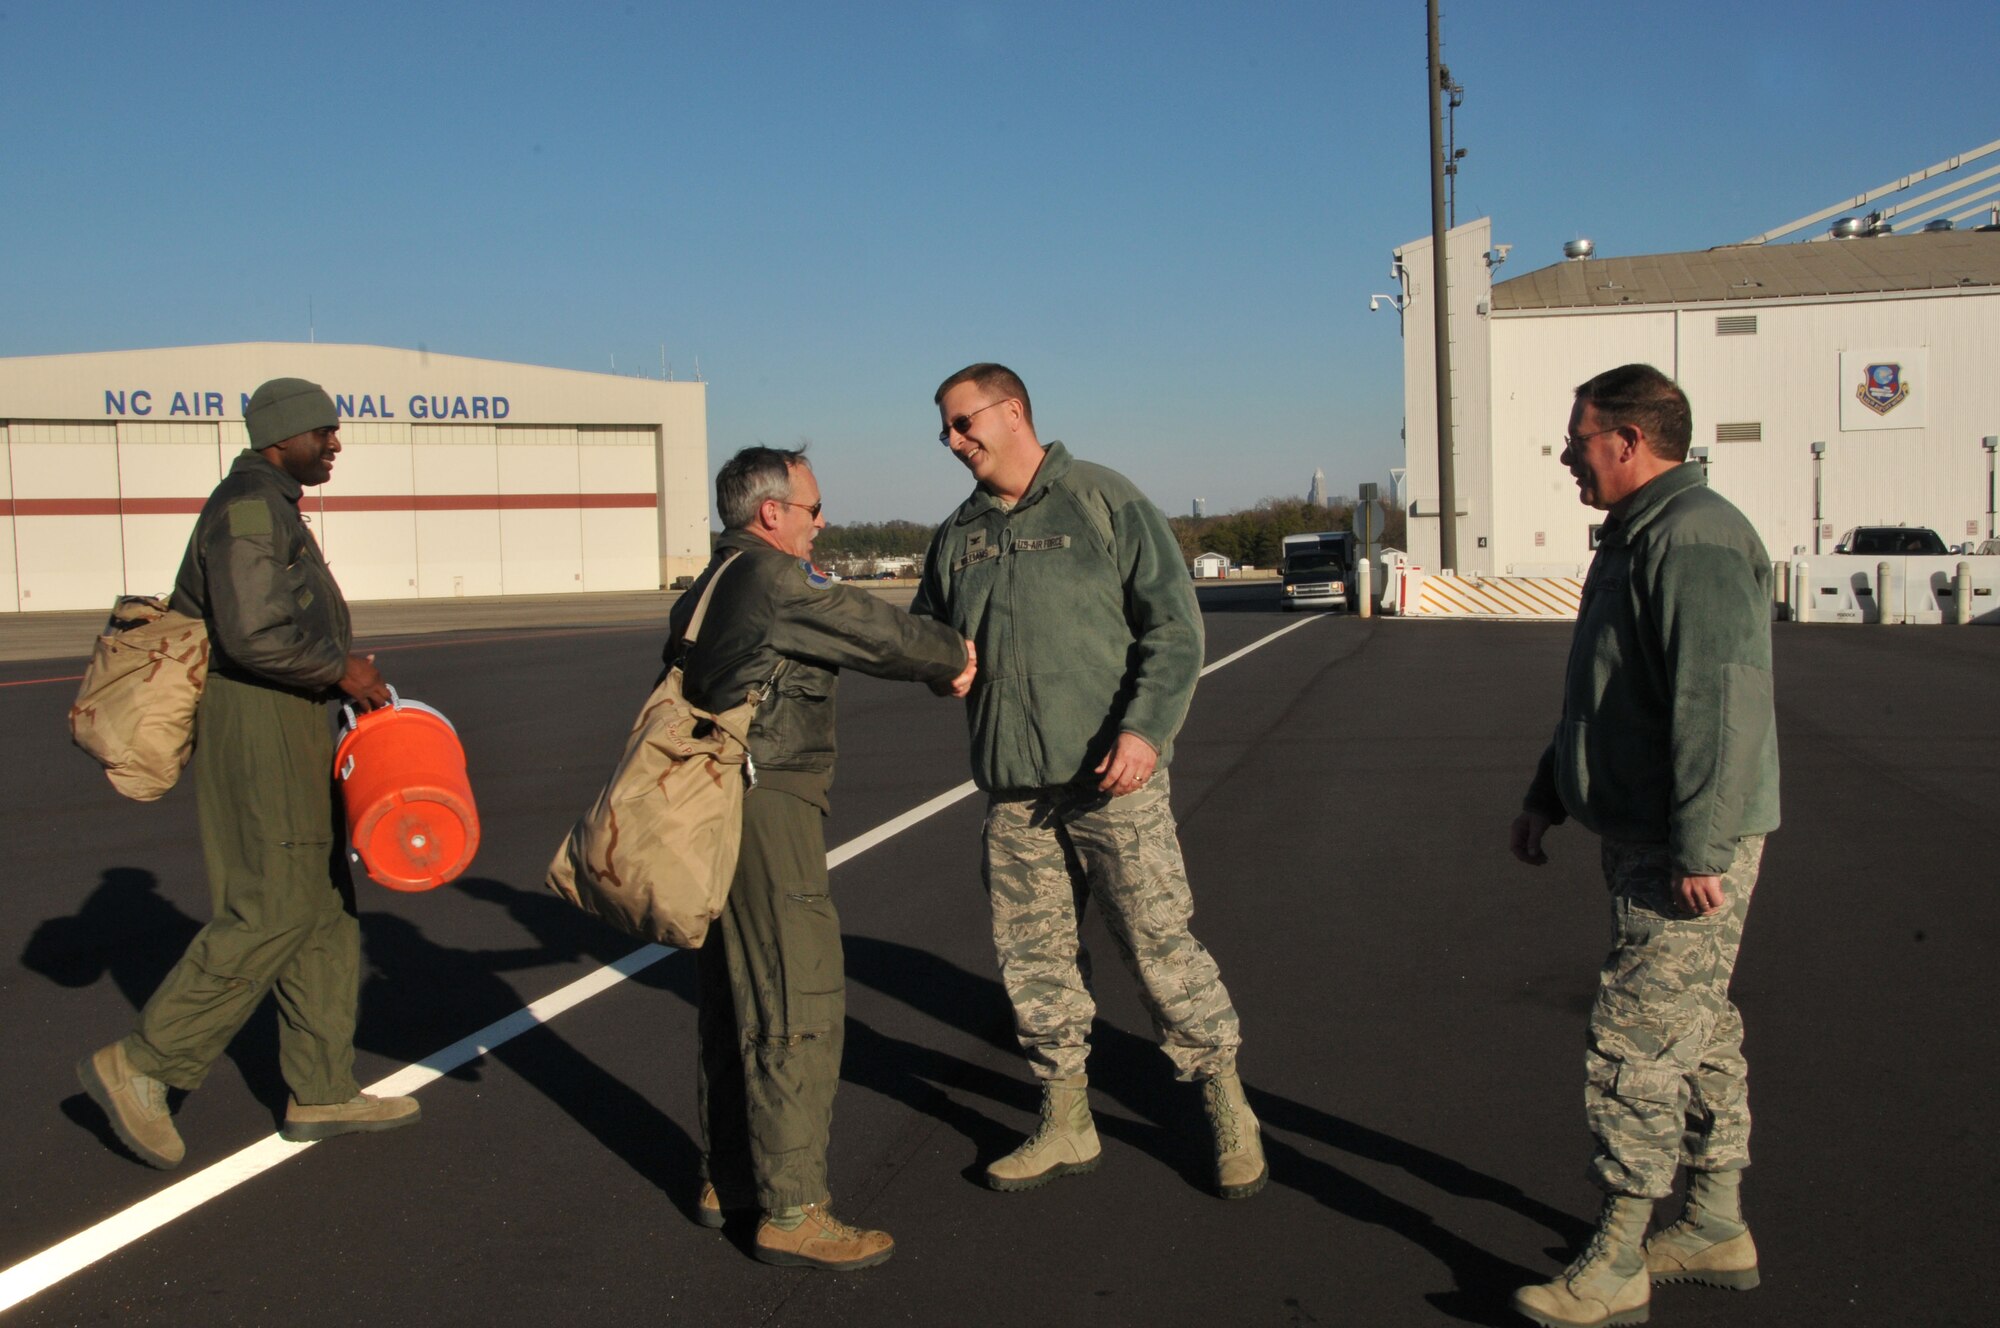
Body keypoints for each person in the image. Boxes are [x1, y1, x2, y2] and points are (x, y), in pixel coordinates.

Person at [912, 363, 1264, 1199]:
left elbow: (1174, 629)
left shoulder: (1103, 501)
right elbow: (928, 633)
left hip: (1114, 782)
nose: (955, 443)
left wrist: (1146, 729)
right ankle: (1066, 1118)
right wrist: (939, 666)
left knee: (1160, 950)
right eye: (947, 432)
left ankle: (1227, 1108)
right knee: (1034, 965)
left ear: (1013, 411)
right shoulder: (957, 534)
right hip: (1016, 795)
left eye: (965, 423)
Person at [77, 377, 419, 1170]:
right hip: (259, 721)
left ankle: (322, 1086)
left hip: (292, 718)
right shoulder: (249, 509)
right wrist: (345, 671)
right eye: (322, 433)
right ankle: (143, 1065)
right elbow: (252, 635)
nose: (335, 444)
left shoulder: (272, 504)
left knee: (326, 907)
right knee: (270, 904)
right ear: (279, 438)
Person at [1508, 364, 1780, 1328]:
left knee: (1634, 1039)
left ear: (1627, 441)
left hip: (1683, 844)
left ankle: (1619, 1255)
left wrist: (1699, 847)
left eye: (1578, 440)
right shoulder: (1636, 535)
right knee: (1695, 1028)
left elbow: (1720, 705)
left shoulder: (1695, 538)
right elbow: (1603, 694)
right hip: (1645, 831)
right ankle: (1713, 1223)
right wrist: (1549, 793)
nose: (1569, 458)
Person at [674, 446, 974, 1271]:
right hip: (766, 800)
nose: (821, 521)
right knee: (795, 994)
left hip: (716, 803)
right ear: (771, 513)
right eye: (811, 508)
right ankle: (793, 1207)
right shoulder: (773, 577)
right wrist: (955, 656)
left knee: (734, 996)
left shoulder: (714, 577)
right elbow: (871, 627)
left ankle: (731, 1176)